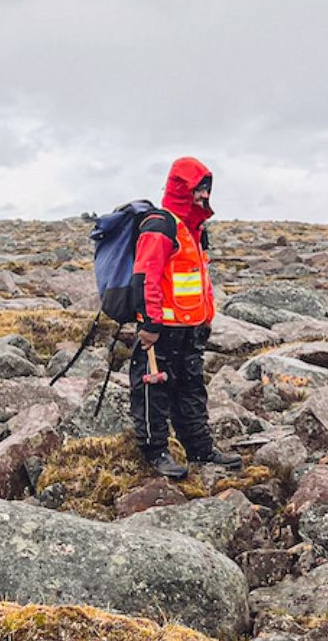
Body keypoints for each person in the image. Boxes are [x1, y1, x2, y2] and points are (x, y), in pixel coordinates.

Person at [131, 157, 242, 479]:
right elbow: (145, 276)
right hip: (161, 330)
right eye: (198, 190)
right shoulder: (160, 224)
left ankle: (200, 449)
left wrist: (207, 315)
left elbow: (200, 276)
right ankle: (155, 452)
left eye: (206, 190)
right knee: (153, 391)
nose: (203, 197)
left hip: (191, 328)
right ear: (182, 188)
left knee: (192, 389)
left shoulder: (194, 229)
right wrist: (149, 324)